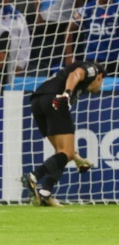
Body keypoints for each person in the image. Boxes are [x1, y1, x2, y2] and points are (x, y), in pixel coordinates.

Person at [23, 61, 107, 207]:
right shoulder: (93, 69)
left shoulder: (78, 86)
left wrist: (78, 159)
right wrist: (67, 94)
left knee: (63, 153)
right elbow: (76, 74)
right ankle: (34, 176)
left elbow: (66, 153)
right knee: (65, 152)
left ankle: (45, 194)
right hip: (54, 99)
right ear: (99, 77)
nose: (100, 86)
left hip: (38, 101)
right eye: (102, 81)